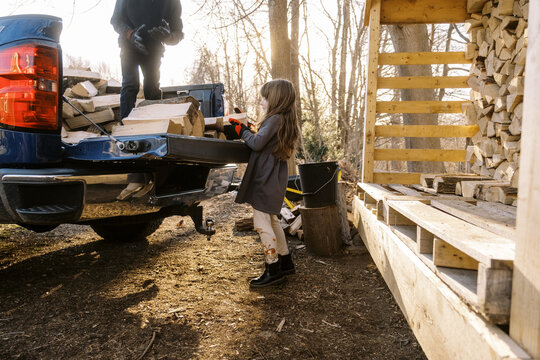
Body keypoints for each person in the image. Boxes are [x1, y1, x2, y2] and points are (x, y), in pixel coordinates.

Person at [225, 79, 300, 288]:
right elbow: (263, 138)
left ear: (275, 99)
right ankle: (285, 262)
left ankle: (272, 267)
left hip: (265, 178)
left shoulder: (275, 119)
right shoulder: (283, 119)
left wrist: (242, 132)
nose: (261, 102)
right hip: (273, 178)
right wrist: (247, 126)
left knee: (261, 223)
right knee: (273, 220)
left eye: (264, 98)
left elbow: (257, 143)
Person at [111, 0, 184, 119]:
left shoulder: (172, 2)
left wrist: (168, 36)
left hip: (154, 50)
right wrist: (130, 34)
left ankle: (153, 126)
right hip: (129, 45)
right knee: (130, 84)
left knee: (152, 88)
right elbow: (116, 20)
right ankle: (125, 129)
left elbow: (178, 33)